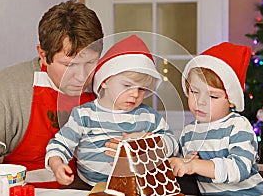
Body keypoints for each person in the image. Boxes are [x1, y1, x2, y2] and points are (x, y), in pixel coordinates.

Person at [0, 0, 104, 189]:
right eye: (69, 65)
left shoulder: (108, 82)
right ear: (43, 55)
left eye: (90, 62)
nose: (82, 76)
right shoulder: (8, 88)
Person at [45, 34, 178, 188]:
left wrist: (145, 142)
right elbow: (60, 144)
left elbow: (173, 145)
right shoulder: (84, 114)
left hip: (135, 187)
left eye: (141, 89)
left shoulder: (148, 117)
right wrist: (57, 165)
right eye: (127, 86)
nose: (135, 94)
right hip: (88, 186)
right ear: (106, 80)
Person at [168, 42, 263, 196]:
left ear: (231, 100)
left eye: (212, 96)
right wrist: (185, 163)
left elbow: (239, 168)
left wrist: (195, 165)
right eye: (194, 92)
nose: (201, 101)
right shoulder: (188, 133)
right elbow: (186, 172)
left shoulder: (237, 126)